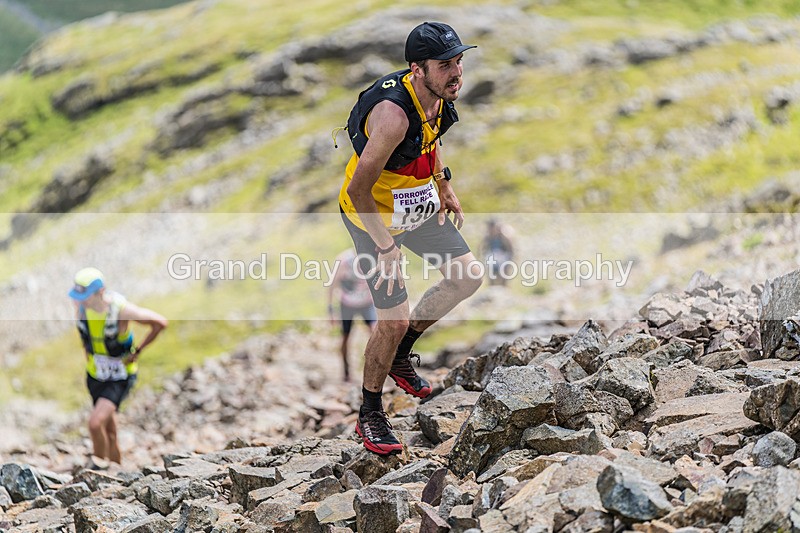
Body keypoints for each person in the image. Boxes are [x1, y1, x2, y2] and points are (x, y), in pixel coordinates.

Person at [338, 22, 482, 455]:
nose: (456, 71)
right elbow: (356, 191)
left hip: (414, 205)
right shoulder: (392, 115)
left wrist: (444, 184)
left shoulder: (435, 96)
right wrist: (386, 247)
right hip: (370, 216)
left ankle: (401, 354)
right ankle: (370, 412)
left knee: (467, 277)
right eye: (445, 65)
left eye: (459, 60)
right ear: (417, 69)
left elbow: (428, 141)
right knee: (392, 319)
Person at [68, 267, 167, 465]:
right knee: (109, 431)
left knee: (95, 424)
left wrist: (137, 351)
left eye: (86, 296)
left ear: (101, 292)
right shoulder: (80, 308)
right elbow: (86, 339)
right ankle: (116, 473)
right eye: (79, 295)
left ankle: (97, 471)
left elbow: (159, 323)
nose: (81, 300)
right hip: (95, 377)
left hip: (119, 377)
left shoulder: (121, 310)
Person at [328, 248, 377, 381]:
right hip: (347, 304)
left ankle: (376, 370)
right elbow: (332, 285)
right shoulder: (344, 260)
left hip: (367, 303)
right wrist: (331, 311)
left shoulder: (373, 257)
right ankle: (346, 371)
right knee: (346, 337)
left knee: (375, 333)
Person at [482, 218, 515, 286]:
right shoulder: (488, 237)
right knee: (492, 274)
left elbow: (510, 248)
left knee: (503, 274)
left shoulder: (503, 236)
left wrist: (510, 258)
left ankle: (503, 289)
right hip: (492, 256)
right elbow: (483, 248)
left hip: (502, 256)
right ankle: (492, 288)